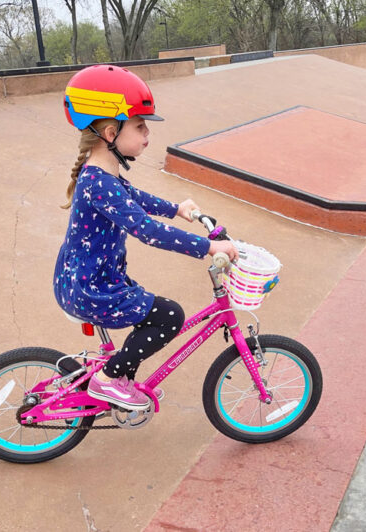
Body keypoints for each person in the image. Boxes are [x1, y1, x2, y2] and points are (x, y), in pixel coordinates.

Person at [53, 64, 238, 411]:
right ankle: (108, 380)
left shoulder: (103, 176)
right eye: (140, 127)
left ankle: (118, 378)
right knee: (168, 316)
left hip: (95, 279)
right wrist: (209, 246)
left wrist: (176, 209)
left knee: (151, 312)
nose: (146, 135)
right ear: (110, 133)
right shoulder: (98, 183)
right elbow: (147, 231)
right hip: (91, 287)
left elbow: (135, 198)